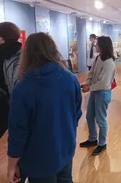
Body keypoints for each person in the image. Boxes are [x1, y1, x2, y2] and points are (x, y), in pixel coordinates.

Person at [7, 33, 82, 183]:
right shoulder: (70, 78)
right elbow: (76, 113)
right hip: (65, 151)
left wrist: (11, 165)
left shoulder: (23, 87)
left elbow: (18, 132)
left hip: (39, 159)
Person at [0, 22, 22, 183]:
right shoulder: (26, 56)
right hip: (21, 106)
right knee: (21, 140)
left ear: (0, 38)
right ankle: (21, 173)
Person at [80, 36, 115, 156]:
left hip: (103, 93)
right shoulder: (98, 58)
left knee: (101, 120)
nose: (95, 45)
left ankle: (102, 143)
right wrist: (87, 83)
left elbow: (104, 83)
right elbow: (92, 73)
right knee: (89, 116)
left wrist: (89, 87)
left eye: (97, 44)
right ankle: (92, 139)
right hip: (95, 92)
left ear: (103, 46)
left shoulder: (109, 62)